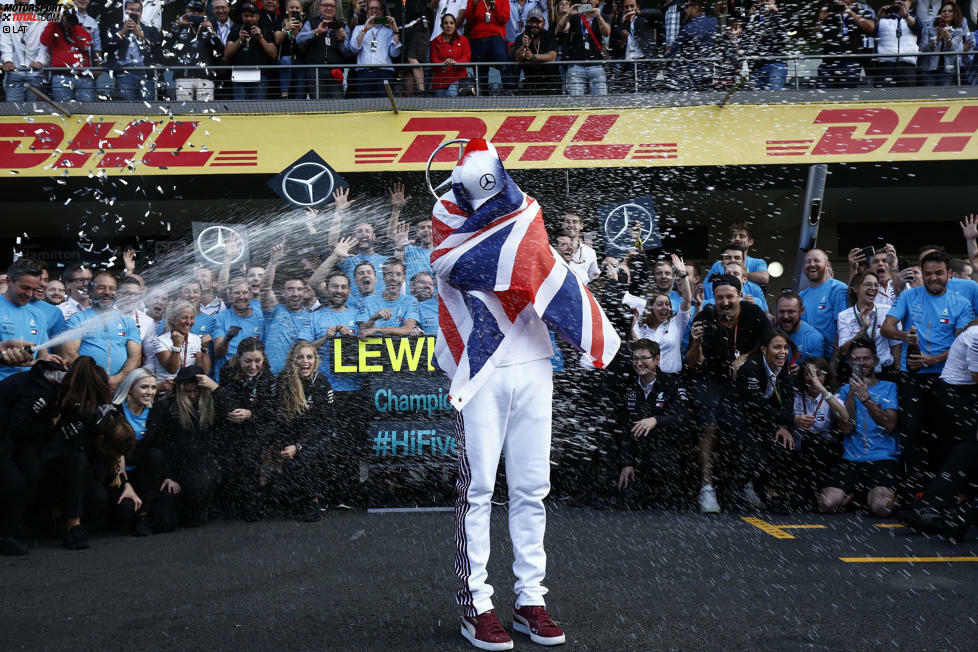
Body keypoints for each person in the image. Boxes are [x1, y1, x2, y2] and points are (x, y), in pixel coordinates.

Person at [431, 139, 619, 650]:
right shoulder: (447, 221)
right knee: (477, 491)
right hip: (482, 369)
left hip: (535, 363)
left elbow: (536, 265)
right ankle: (477, 603)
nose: (486, 195)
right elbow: (458, 267)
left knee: (533, 488)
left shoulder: (525, 213)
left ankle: (529, 599)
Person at [882, 250, 974, 487]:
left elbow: (961, 344)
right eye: (929, 274)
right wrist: (905, 335)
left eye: (939, 273)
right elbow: (886, 328)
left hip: (947, 376)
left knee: (946, 431)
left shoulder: (961, 303)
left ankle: (945, 486)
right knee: (911, 429)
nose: (933, 278)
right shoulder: (909, 296)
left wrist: (930, 360)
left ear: (949, 274)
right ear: (922, 273)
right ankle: (914, 485)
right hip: (912, 375)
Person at [686, 274, 773, 514]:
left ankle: (746, 481)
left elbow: (770, 343)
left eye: (730, 297)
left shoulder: (754, 314)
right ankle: (707, 487)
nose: (725, 302)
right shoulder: (705, 317)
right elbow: (693, 363)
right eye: (720, 297)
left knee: (753, 425)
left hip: (743, 381)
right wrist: (695, 343)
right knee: (710, 424)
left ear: (739, 296)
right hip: (711, 380)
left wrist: (745, 357)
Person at [38, 357, 137, 550]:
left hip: (85, 473)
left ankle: (75, 518)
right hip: (51, 471)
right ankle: (70, 524)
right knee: (77, 461)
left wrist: (125, 483)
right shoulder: (66, 406)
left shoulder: (107, 416)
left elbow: (115, 448)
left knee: (99, 495)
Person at [818, 339, 899, 517]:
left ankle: (865, 496)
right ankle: (861, 494)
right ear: (850, 362)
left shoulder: (889, 387)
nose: (862, 363)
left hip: (882, 457)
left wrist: (866, 398)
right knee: (826, 504)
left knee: (881, 508)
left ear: (875, 361)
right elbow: (847, 428)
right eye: (856, 359)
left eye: (866, 359)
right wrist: (853, 393)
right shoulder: (845, 390)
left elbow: (889, 424)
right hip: (852, 458)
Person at [724, 329, 799, 509]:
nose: (782, 352)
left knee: (783, 444)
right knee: (756, 452)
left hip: (761, 417)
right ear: (764, 349)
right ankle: (733, 489)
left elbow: (788, 398)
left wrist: (784, 425)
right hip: (736, 415)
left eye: (786, 348)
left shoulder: (782, 365)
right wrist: (793, 418)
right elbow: (756, 405)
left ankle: (771, 492)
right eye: (777, 347)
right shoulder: (751, 367)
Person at [0, 359, 66, 555]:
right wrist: (49, 424)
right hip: (6, 434)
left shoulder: (47, 386)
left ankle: (16, 525)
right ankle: (5, 535)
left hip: (17, 437)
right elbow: (14, 426)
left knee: (33, 473)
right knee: (14, 482)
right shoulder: (37, 392)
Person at [615, 339, 691, 508]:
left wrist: (656, 420)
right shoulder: (628, 388)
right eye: (635, 359)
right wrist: (627, 463)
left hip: (667, 456)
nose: (639, 363)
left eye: (644, 358)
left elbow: (684, 417)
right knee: (627, 503)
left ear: (656, 360)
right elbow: (624, 428)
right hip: (638, 459)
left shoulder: (672, 383)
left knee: (669, 505)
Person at [145, 365, 220, 527]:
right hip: (172, 469)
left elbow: (230, 404)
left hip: (199, 469)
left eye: (196, 391)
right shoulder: (166, 407)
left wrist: (214, 387)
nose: (192, 395)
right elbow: (160, 444)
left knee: (195, 511)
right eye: (187, 391)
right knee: (163, 524)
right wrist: (168, 475)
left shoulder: (210, 406)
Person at [272, 341, 338, 520]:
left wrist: (298, 446)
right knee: (287, 460)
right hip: (293, 436)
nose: (305, 361)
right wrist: (286, 444)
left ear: (315, 360)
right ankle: (294, 499)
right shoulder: (283, 382)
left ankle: (312, 502)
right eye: (300, 357)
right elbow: (281, 419)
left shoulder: (322, 383)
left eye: (309, 357)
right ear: (293, 360)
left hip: (320, 435)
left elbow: (323, 424)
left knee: (305, 458)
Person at [213, 337, 277, 520]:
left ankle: (252, 502)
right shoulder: (227, 371)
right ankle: (229, 499)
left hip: (259, 424)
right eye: (247, 361)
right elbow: (223, 399)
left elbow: (271, 409)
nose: (253, 366)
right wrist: (228, 413)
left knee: (249, 452)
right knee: (226, 450)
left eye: (258, 361)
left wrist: (251, 414)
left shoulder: (267, 376)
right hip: (233, 422)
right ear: (239, 358)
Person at [111, 369, 172, 536]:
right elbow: (112, 454)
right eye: (144, 387)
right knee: (125, 512)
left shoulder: (157, 410)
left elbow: (163, 445)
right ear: (130, 388)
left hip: (147, 475)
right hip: (119, 474)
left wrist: (168, 475)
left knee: (165, 523)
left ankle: (143, 515)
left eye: (153, 387)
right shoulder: (115, 410)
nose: (150, 392)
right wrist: (125, 484)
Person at [62, 272, 142, 391]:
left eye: (112, 288)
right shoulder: (77, 320)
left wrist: (118, 378)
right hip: (86, 386)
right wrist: (94, 378)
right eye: (101, 287)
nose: (107, 292)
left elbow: (135, 357)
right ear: (90, 291)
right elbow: (69, 354)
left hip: (119, 387)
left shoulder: (128, 322)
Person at [792, 358, 848, 498]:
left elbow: (845, 417)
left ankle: (811, 494)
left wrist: (821, 388)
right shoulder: (795, 394)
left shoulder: (831, 396)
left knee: (813, 442)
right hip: (796, 445)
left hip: (821, 449)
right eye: (808, 374)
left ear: (826, 376)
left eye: (818, 374)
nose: (812, 379)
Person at [629, 254, 692, 375]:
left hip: (672, 379)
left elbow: (687, 300)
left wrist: (683, 274)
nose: (665, 307)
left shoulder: (676, 324)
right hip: (648, 378)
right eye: (660, 304)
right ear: (652, 308)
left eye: (667, 304)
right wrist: (633, 322)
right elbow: (637, 347)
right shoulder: (643, 328)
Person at [0, 259, 60, 381]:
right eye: (25, 288)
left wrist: (44, 360)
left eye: (34, 289)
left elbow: (42, 353)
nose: (29, 294)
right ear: (8, 281)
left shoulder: (38, 315)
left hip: (27, 388)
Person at [261, 246, 314, 374]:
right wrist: (273, 261)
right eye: (291, 289)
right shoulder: (274, 310)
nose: (295, 293)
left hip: (296, 378)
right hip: (271, 377)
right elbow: (265, 288)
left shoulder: (311, 318)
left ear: (304, 292)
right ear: (283, 293)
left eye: (299, 289)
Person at [836, 271, 899, 376]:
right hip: (857, 371)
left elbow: (896, 345)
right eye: (868, 284)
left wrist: (898, 371)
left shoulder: (887, 311)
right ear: (856, 288)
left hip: (885, 371)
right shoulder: (844, 316)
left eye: (875, 285)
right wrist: (863, 329)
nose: (873, 288)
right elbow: (844, 351)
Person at [104, 0, 165, 101]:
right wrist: (122, 32)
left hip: (146, 74)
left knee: (147, 108)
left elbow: (157, 49)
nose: (134, 13)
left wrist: (140, 34)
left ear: (141, 12)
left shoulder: (151, 30)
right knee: (129, 107)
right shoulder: (116, 27)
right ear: (125, 11)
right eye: (130, 10)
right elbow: (107, 47)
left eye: (137, 10)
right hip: (125, 74)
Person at [166, 0, 223, 101]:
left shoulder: (208, 29)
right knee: (184, 112)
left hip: (205, 78)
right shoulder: (178, 27)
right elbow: (165, 47)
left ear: (204, 14)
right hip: (183, 77)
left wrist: (212, 31)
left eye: (199, 11)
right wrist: (176, 25)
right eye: (193, 11)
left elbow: (221, 51)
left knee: (205, 113)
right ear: (186, 11)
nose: (196, 14)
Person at [143, 300, 211, 383]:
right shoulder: (160, 341)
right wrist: (176, 345)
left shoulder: (196, 339)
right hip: (167, 391)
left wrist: (204, 348)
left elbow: (204, 371)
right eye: (184, 317)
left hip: (188, 390)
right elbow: (172, 369)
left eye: (192, 318)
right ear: (172, 320)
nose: (189, 322)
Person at [41, 2, 97, 102]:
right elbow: (45, 41)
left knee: (86, 110)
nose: (67, 16)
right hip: (61, 75)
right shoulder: (53, 28)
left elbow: (85, 46)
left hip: (83, 76)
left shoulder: (80, 28)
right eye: (65, 13)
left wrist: (75, 25)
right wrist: (54, 20)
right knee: (64, 109)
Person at [211, 277, 265, 380]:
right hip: (227, 378)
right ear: (230, 296)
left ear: (250, 294)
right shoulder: (220, 318)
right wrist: (227, 339)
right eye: (236, 293)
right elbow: (218, 353)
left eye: (245, 293)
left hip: (252, 377)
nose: (241, 297)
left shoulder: (261, 317)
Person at [296, 0, 351, 99]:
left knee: (337, 106)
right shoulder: (311, 23)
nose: (329, 8)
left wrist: (341, 42)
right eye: (325, 5)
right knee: (318, 106)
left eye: (332, 6)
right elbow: (299, 39)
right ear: (319, 7)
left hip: (335, 72)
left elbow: (348, 54)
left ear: (336, 9)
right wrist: (316, 32)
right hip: (315, 71)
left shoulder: (343, 26)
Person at [348, 0, 402, 98]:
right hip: (363, 74)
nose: (374, 11)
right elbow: (354, 48)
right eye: (371, 8)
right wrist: (365, 29)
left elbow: (395, 53)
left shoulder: (389, 31)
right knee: (364, 108)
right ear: (367, 11)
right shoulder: (359, 29)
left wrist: (396, 32)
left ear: (382, 11)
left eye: (377, 8)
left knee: (384, 108)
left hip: (384, 73)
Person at [224, 1, 278, 99]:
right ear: (241, 17)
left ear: (257, 16)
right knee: (240, 110)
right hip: (239, 76)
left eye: (252, 16)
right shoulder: (235, 31)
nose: (249, 18)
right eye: (246, 16)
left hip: (260, 76)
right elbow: (227, 54)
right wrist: (240, 40)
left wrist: (260, 37)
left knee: (257, 109)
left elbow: (274, 54)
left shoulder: (265, 31)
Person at [555, 2, 610, 95]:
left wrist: (599, 17)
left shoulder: (602, 16)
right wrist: (568, 14)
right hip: (576, 66)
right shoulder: (575, 16)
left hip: (596, 65)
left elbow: (606, 33)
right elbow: (560, 29)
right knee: (576, 103)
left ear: (597, 1)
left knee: (601, 101)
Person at [356, 259, 420, 337]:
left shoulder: (410, 301)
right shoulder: (368, 301)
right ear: (383, 277)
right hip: (373, 348)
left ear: (404, 278)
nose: (394, 278)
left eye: (398, 274)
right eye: (390, 274)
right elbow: (363, 331)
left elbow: (407, 329)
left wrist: (376, 330)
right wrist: (374, 318)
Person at [799, 249, 849, 346]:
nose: (812, 264)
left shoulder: (838, 289)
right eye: (808, 262)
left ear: (827, 265)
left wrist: (835, 359)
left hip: (831, 357)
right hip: (809, 356)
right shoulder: (801, 296)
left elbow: (843, 329)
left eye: (817, 261)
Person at [1, 7, 50, 102]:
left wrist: (40, 62)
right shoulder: (8, 20)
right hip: (15, 72)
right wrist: (8, 60)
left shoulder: (42, 21)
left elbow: (45, 45)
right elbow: (5, 42)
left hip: (35, 73)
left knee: (35, 110)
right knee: (14, 110)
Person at [918, 2, 973, 86]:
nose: (947, 13)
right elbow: (922, 48)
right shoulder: (929, 26)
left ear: (955, 14)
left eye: (950, 11)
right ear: (940, 13)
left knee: (944, 96)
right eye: (944, 11)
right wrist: (937, 39)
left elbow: (953, 48)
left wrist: (948, 37)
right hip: (928, 68)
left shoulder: (959, 29)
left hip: (947, 69)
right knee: (929, 95)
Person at [666, 0, 717, 91]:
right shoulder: (713, 22)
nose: (684, 10)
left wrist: (664, 60)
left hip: (689, 76)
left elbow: (674, 51)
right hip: (707, 73)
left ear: (696, 8)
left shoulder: (688, 28)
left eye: (687, 7)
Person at [508, 8, 559, 94]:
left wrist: (533, 57)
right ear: (527, 23)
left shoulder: (549, 35)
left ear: (543, 24)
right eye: (531, 22)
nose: (534, 24)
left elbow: (552, 56)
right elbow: (517, 58)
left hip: (550, 81)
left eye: (537, 22)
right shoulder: (521, 38)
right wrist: (523, 46)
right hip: (530, 82)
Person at [465, 0, 510, 94]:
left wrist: (494, 7)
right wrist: (474, 5)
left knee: (503, 61)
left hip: (496, 36)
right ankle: (483, 93)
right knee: (480, 70)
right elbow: (469, 19)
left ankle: (509, 90)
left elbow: (504, 19)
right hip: (478, 37)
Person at [873, 0, 920, 87]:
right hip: (885, 65)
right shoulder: (883, 18)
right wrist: (878, 18)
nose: (899, 3)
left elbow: (917, 28)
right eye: (897, 1)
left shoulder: (914, 18)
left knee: (907, 97)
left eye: (903, 1)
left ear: (910, 3)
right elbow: (871, 32)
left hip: (907, 65)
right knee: (883, 96)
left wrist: (906, 16)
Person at [776, 292, 827, 363]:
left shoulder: (815, 338)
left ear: (801, 310)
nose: (785, 316)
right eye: (781, 312)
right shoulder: (770, 329)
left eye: (791, 312)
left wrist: (802, 370)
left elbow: (815, 369)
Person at [430, 13, 471, 96]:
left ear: (455, 25)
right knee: (441, 106)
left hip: (458, 80)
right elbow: (433, 60)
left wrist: (454, 62)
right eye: (446, 23)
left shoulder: (463, 40)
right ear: (441, 26)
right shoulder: (435, 42)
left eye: (451, 23)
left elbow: (466, 58)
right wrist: (444, 63)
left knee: (451, 95)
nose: (449, 25)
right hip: (440, 81)